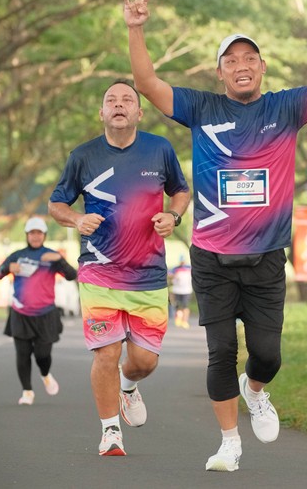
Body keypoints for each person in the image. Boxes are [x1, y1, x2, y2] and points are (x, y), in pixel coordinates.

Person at [122, 0, 307, 471]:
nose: (241, 66)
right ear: (220, 72)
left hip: (267, 255)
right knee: (221, 351)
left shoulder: (285, 108)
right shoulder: (201, 108)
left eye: (249, 58)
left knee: (267, 355)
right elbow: (146, 82)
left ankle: (256, 391)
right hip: (211, 258)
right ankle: (229, 442)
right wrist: (136, 27)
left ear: (263, 67)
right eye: (231, 60)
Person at [48, 79, 190, 456]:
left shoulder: (159, 149)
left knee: (144, 361)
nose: (119, 104)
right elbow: (56, 204)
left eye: (127, 99)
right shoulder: (83, 156)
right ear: (102, 112)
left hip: (148, 274)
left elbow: (180, 190)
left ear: (139, 113)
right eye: (111, 100)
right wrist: (77, 220)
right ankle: (110, 430)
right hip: (99, 272)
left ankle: (128, 385)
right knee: (106, 353)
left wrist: (173, 216)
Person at [0, 216, 77, 406]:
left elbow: (72, 275)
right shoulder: (17, 255)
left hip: (46, 314)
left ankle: (45, 374)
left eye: (39, 233)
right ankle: (27, 391)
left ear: (44, 235)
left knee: (42, 355)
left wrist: (60, 260)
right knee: (22, 354)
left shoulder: (51, 256)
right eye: (32, 233)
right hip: (20, 313)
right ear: (27, 235)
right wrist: (7, 267)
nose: (36, 236)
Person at [169, 256, 193, 329]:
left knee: (185, 306)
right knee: (178, 305)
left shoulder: (189, 268)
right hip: (177, 290)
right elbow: (169, 275)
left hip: (186, 290)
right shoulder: (175, 269)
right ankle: (178, 319)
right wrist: (174, 276)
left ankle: (185, 321)